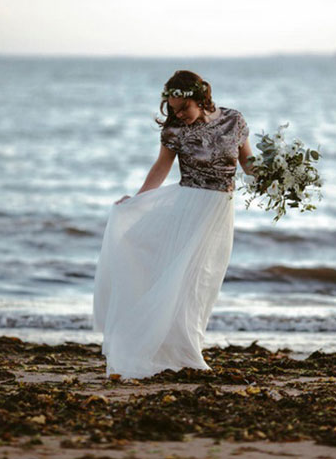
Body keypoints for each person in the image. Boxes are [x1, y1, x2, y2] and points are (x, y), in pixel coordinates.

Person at [92, 70, 254, 379]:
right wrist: (137, 200)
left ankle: (185, 349)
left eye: (184, 108)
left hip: (221, 211)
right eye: (173, 109)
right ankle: (176, 352)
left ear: (201, 98)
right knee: (181, 283)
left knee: (205, 284)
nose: (179, 115)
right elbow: (161, 167)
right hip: (188, 208)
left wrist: (276, 179)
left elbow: (248, 163)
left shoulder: (235, 120)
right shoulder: (174, 131)